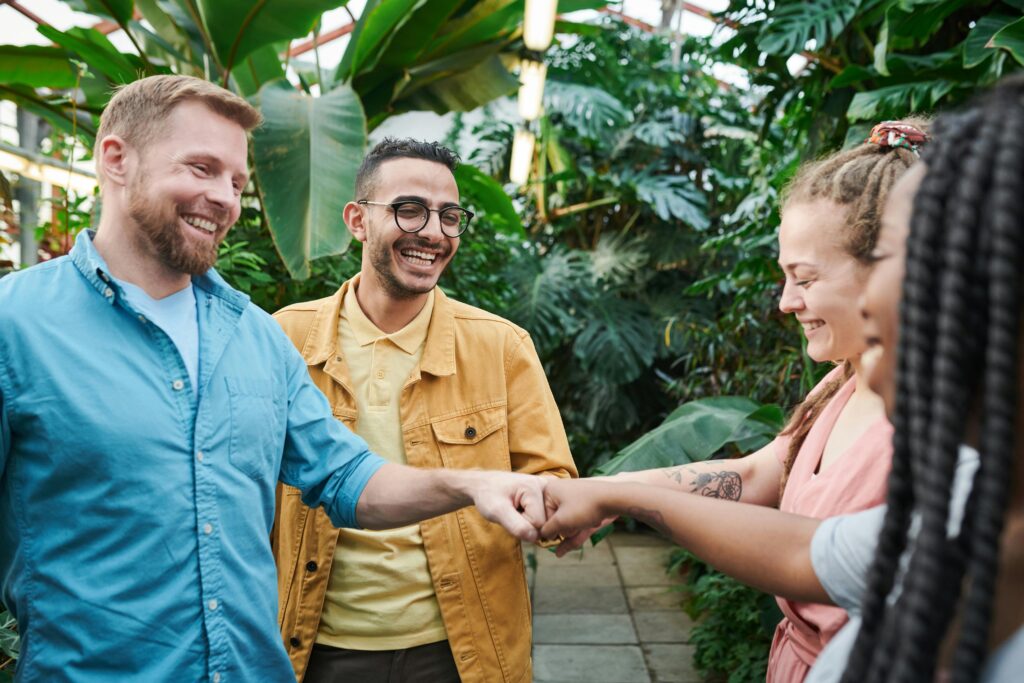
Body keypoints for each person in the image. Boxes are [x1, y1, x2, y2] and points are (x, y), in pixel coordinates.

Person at [0, 76, 552, 683]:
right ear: (116, 158)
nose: (224, 198)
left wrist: (471, 486)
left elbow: (346, 476)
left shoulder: (256, 336)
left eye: (236, 182)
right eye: (201, 169)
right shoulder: (16, 326)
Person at [540, 75, 1024, 682]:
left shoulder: (963, 454)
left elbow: (806, 553)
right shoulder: (844, 382)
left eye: (807, 276)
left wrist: (619, 496)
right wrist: (608, 492)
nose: (785, 303)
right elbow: (762, 473)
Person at [271, 138, 577, 683]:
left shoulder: (500, 347)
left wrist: (566, 509)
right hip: (312, 649)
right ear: (358, 221)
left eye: (449, 215)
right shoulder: (283, 339)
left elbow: (551, 482)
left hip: (459, 652)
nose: (433, 233)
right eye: (409, 210)